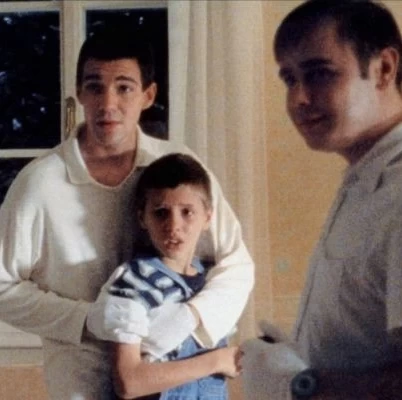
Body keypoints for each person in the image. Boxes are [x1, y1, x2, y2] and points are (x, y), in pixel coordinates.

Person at [0, 26, 254, 400]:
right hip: (81, 386)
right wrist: (87, 319)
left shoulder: (180, 168)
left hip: (179, 385)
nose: (108, 103)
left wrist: (189, 319)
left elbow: (237, 263)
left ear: (148, 95)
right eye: (95, 87)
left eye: (124, 88)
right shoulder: (39, 184)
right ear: (79, 93)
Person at [241, 1, 402, 399]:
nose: (298, 98)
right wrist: (294, 358)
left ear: (384, 69)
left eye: (319, 74)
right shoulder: (363, 179)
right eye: (289, 79)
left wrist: (302, 386)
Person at [104, 152, 241, 399]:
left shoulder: (213, 283)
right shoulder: (134, 283)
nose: (173, 226)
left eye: (187, 212)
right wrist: (215, 361)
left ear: (207, 217)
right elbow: (129, 382)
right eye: (160, 212)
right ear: (142, 218)